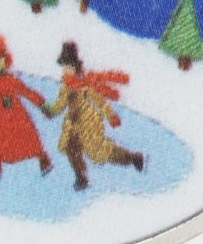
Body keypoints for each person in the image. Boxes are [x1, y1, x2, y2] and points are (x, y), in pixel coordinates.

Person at [45, 41, 144, 191]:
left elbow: (99, 101)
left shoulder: (84, 85)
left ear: (75, 67)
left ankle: (132, 157)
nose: (65, 70)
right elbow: (60, 103)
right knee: (71, 148)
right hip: (73, 125)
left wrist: (111, 116)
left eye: (68, 67)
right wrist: (51, 110)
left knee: (98, 151)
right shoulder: (66, 87)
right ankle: (81, 177)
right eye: (64, 67)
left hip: (88, 124)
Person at [0, 36, 53, 181]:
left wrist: (42, 104)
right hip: (0, 118)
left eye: (1, 60)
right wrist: (0, 102)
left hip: (17, 115)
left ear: (5, 61)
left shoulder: (10, 79)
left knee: (28, 136)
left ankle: (43, 158)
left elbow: (26, 91)